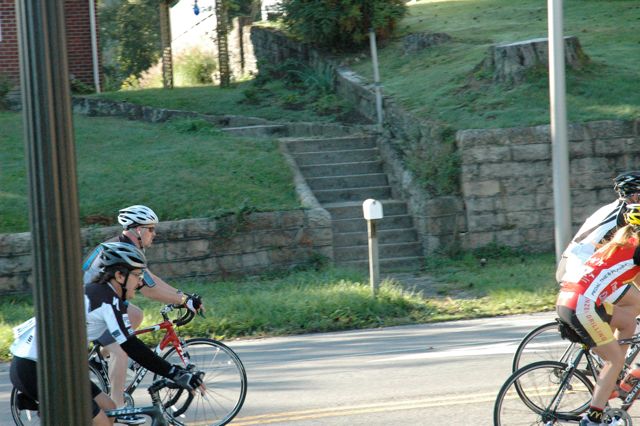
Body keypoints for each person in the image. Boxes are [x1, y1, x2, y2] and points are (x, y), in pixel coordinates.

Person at [10, 242, 204, 425]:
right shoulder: (105, 300)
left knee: (110, 409)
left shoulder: (105, 295)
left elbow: (129, 343)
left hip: (57, 367)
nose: (140, 282)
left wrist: (175, 373)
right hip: (35, 368)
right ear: (119, 276)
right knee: (102, 421)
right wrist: (175, 373)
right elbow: (132, 346)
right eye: (137, 275)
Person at [82, 205, 204, 413]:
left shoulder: (125, 246)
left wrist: (183, 296)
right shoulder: (124, 250)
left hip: (98, 301)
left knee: (136, 315)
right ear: (138, 230)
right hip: (91, 306)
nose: (154, 234)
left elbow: (150, 279)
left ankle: (99, 360)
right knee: (122, 349)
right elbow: (149, 290)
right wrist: (184, 300)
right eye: (151, 229)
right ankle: (119, 407)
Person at [556, 204, 640, 426]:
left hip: (569, 300)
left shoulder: (621, 244)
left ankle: (614, 379)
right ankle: (593, 419)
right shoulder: (637, 249)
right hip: (582, 306)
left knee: (628, 322)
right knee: (614, 359)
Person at [556, 171, 640, 283]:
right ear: (634, 195)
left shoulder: (614, 207)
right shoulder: (626, 213)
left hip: (572, 262)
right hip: (580, 266)